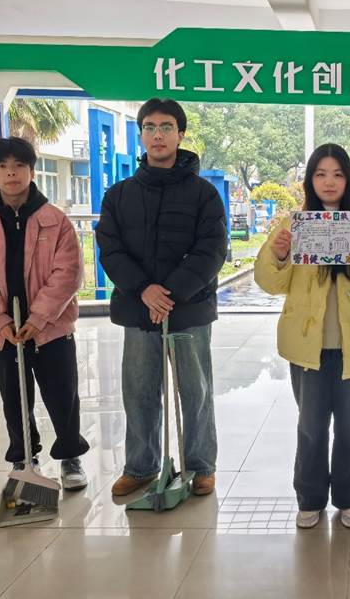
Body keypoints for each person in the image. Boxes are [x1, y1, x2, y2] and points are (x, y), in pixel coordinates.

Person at [255, 143, 350, 529]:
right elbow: (269, 283)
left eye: (337, 174)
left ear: (348, 179)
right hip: (307, 346)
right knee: (311, 427)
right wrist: (278, 255)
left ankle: (349, 499)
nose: (329, 182)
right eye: (321, 174)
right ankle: (310, 499)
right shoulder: (293, 227)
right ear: (310, 180)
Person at [96, 98, 227, 498]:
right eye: (150, 127)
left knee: (196, 390)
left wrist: (168, 294)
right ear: (141, 135)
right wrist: (144, 290)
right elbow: (110, 248)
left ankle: (201, 466)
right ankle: (140, 466)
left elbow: (212, 249)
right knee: (139, 391)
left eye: (166, 127)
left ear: (180, 135)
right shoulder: (118, 195)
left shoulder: (203, 194)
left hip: (189, 309)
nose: (158, 134)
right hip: (138, 308)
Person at [0, 136, 89, 490]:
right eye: (2, 166)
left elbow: (68, 273)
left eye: (19, 166)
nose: (11, 173)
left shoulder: (55, 221)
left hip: (51, 327)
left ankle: (70, 456)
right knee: (14, 397)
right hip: (2, 331)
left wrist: (38, 318)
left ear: (31, 171)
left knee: (62, 394)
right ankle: (23, 458)